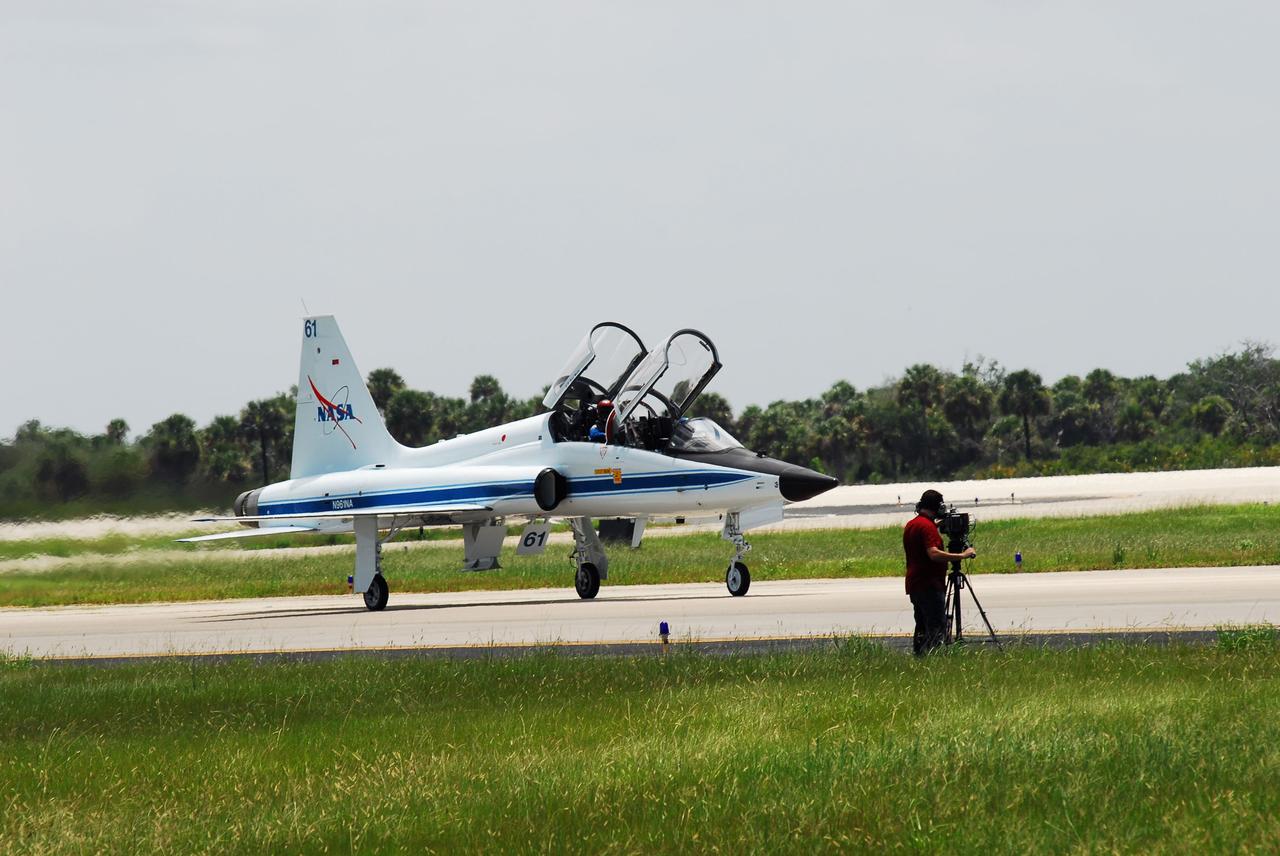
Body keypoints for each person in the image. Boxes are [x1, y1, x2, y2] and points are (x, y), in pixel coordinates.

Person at [903, 489, 976, 656]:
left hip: (915, 584)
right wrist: (961, 555)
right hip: (929, 585)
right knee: (936, 625)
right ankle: (936, 657)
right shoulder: (926, 527)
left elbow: (922, 537)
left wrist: (937, 524)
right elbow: (933, 553)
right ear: (938, 506)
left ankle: (920, 656)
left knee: (921, 625)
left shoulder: (912, 524)